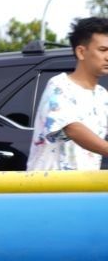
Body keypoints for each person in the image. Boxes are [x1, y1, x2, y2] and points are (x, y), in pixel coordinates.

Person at [26, 17, 108, 171]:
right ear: (81, 52)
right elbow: (73, 129)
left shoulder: (103, 96)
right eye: (103, 50)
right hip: (51, 189)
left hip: (83, 190)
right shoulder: (59, 86)